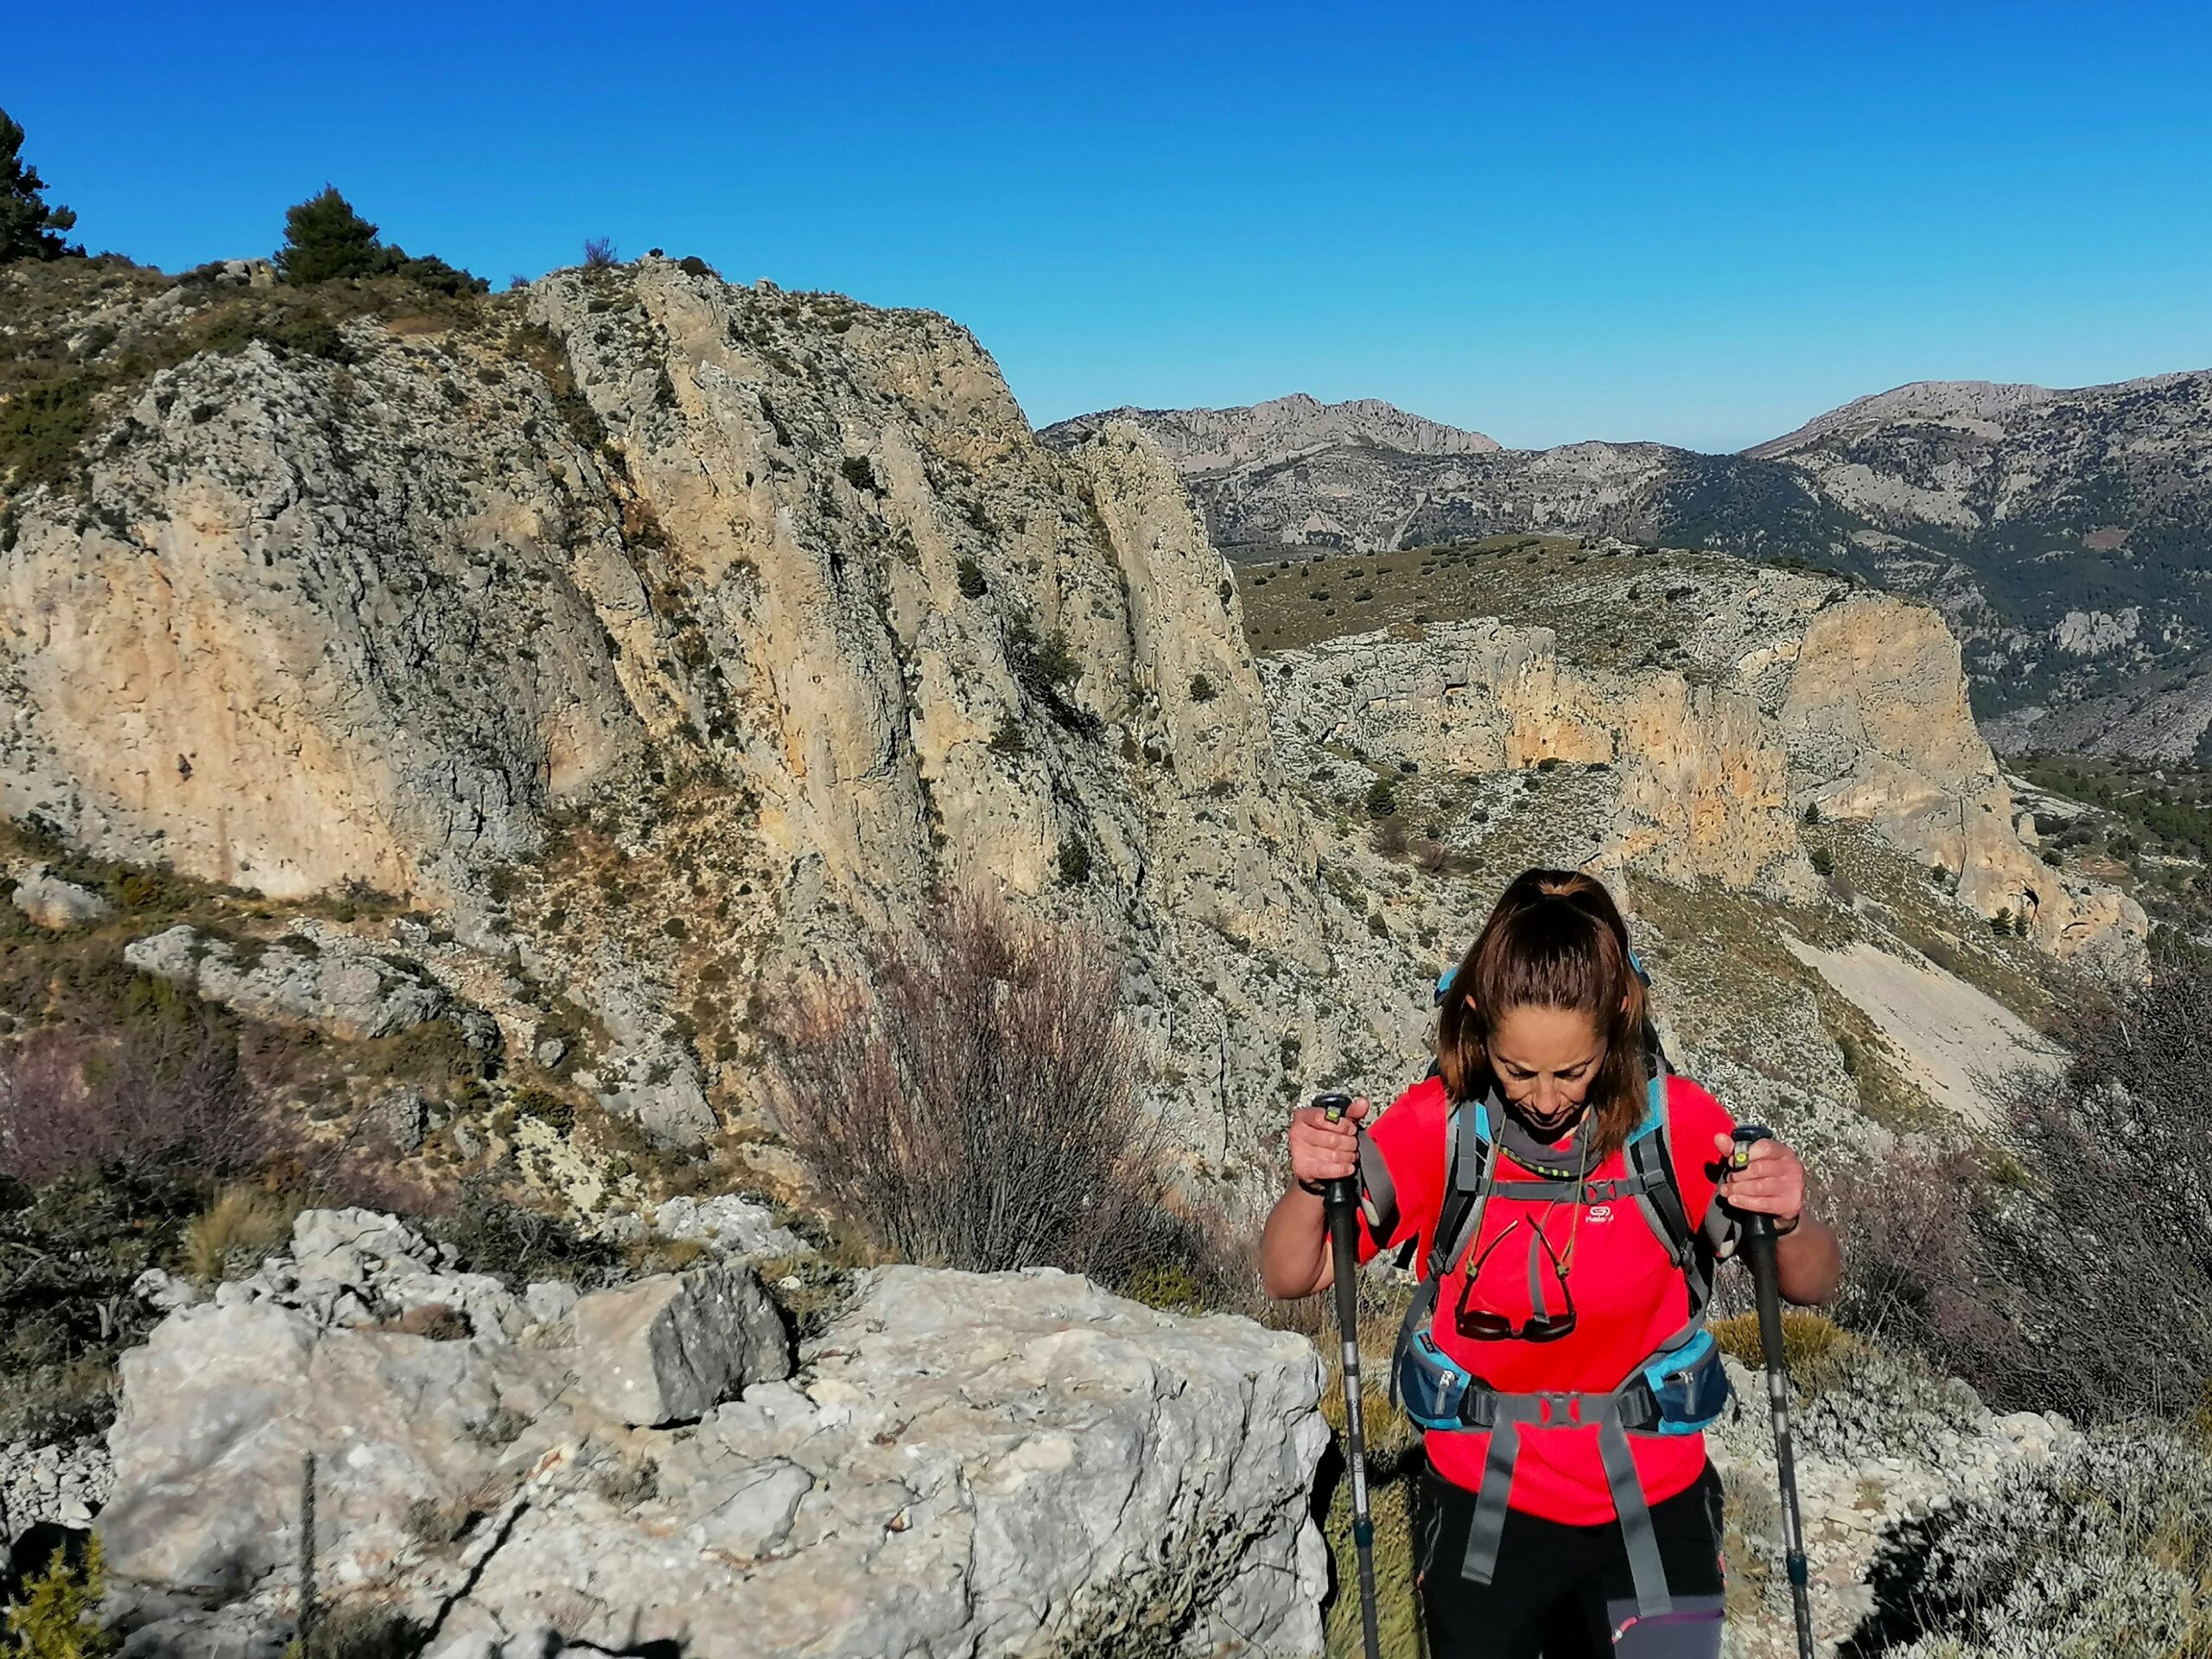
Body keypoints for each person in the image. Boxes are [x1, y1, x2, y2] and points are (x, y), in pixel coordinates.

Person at [1261, 868, 1840, 1658]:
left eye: (1572, 1071)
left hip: (1653, 1508)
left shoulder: (1674, 1128)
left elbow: (1809, 1282)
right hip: (1483, 1512)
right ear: (1476, 1023)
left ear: (1618, 1022)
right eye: (1516, 1069)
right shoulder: (1440, 1126)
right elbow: (1293, 1273)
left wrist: (1788, 1210)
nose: (1543, 1098)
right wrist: (1311, 1181)